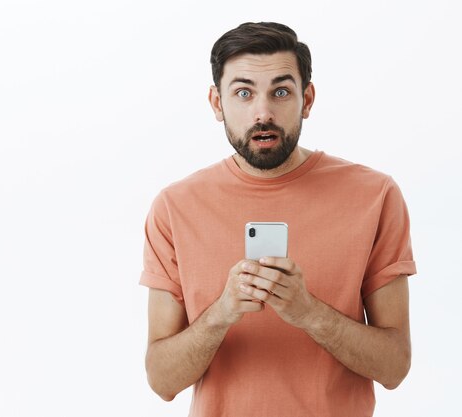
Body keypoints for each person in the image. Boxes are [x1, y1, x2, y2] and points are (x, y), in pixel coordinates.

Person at [139, 22, 416, 417]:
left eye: (281, 92)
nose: (263, 112)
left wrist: (309, 313)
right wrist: (223, 312)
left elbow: (395, 367)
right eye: (244, 93)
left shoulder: (376, 196)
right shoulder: (174, 207)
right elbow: (162, 381)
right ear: (217, 104)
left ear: (307, 99)